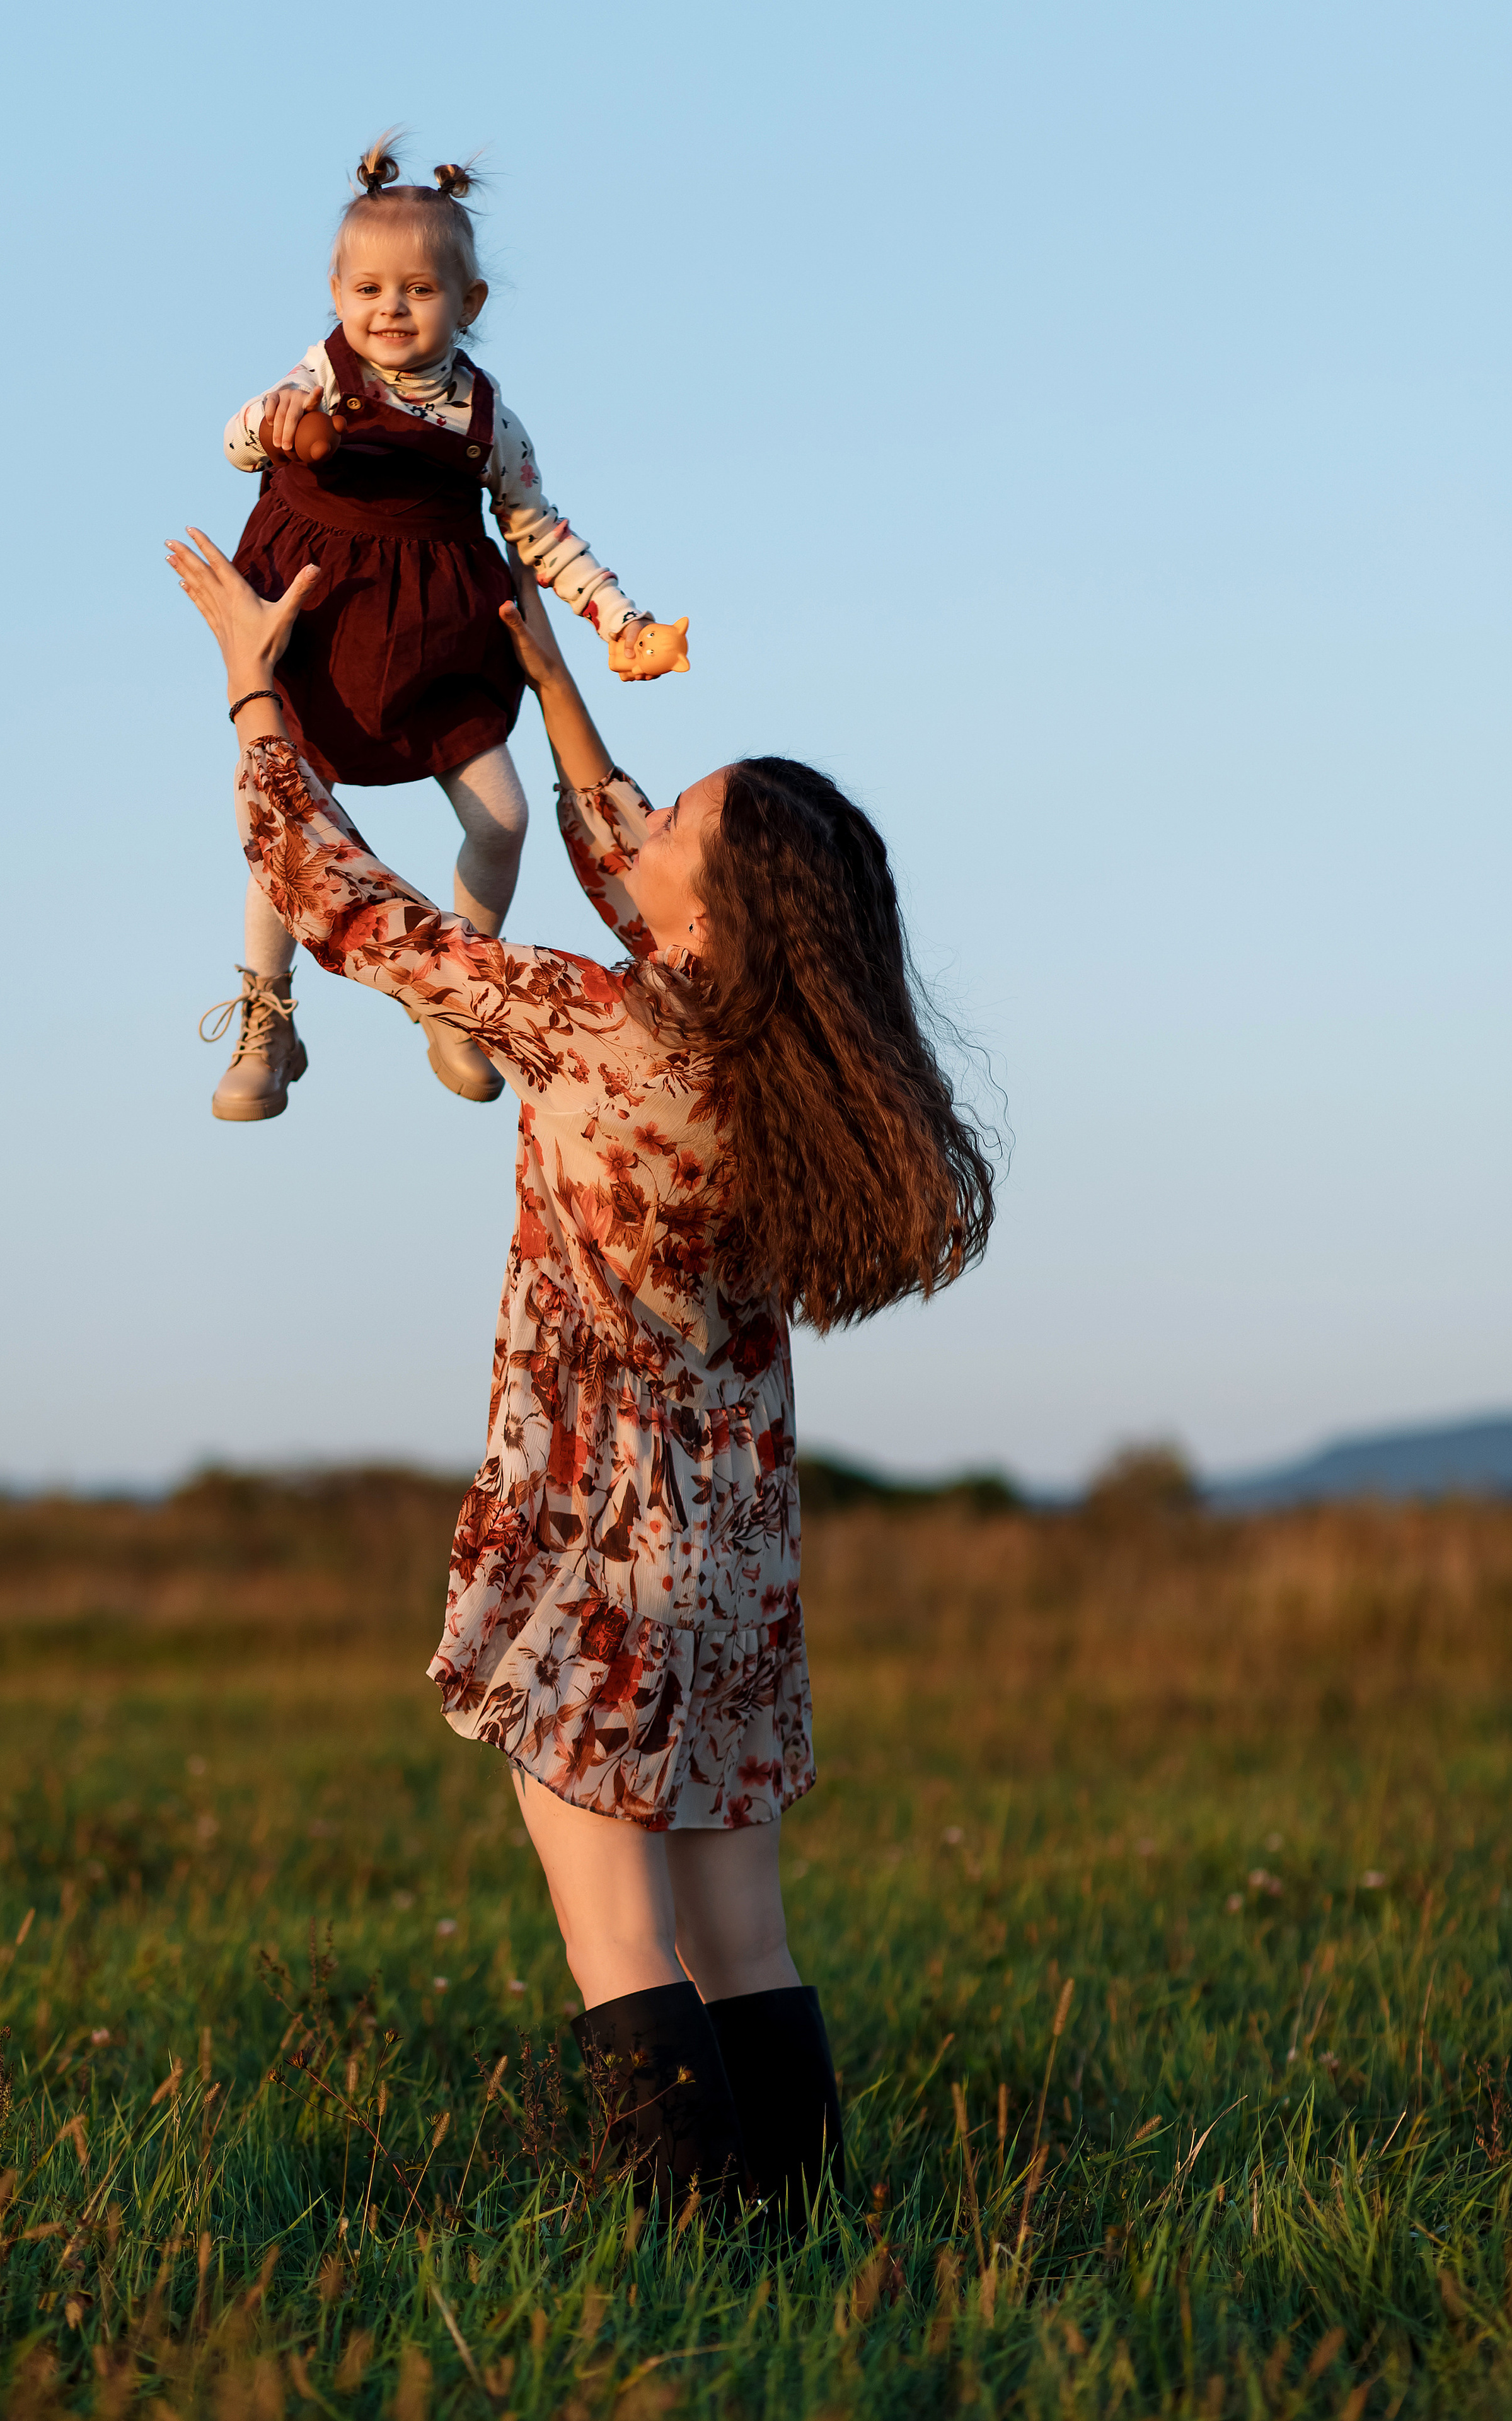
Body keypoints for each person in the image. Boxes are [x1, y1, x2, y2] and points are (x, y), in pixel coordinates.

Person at [166, 525, 995, 2222]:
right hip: (740, 1564)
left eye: (679, 822)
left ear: (725, 901)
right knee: (742, 1935)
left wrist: (257, 685)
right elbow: (631, 862)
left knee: (623, 1943)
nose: (642, 830)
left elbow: (336, 900)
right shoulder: (776, 1066)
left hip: (602, 1548)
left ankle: (696, 2269)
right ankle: (805, 2243)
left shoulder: (590, 1021)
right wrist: (545, 676)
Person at [205, 134, 686, 1123]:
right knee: (293, 826)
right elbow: (233, 437)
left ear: (468, 305)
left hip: (438, 633)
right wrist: (280, 423)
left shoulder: (489, 417)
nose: (390, 310)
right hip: (322, 620)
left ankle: (454, 997)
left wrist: (618, 620)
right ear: (336, 293)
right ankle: (270, 1011)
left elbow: (536, 527)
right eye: (369, 289)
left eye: (420, 291)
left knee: (502, 818)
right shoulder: (319, 378)